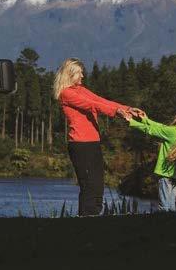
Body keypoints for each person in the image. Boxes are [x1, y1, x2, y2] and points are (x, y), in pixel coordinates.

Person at [53, 58, 138, 216]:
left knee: (98, 185)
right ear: (69, 74)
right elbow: (92, 105)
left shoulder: (81, 89)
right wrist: (116, 112)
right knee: (89, 186)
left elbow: (100, 100)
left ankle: (95, 218)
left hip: (93, 144)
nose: (82, 76)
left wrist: (127, 109)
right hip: (80, 146)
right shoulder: (66, 94)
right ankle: (86, 219)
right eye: (79, 73)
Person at [125, 108, 176, 211]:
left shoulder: (173, 132)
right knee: (171, 205)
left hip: (165, 175)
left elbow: (151, 130)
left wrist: (131, 121)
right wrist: (145, 119)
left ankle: (164, 224)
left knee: (164, 206)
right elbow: (162, 127)